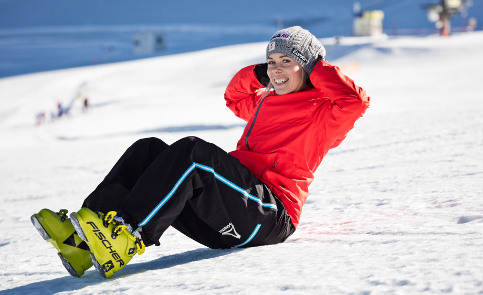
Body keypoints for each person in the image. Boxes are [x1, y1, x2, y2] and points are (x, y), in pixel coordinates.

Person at [31, 26, 370, 278]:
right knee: (149, 150)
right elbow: (235, 98)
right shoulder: (266, 100)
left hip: (269, 215)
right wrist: (257, 72)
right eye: (271, 61)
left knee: (194, 153)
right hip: (230, 211)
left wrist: (316, 66)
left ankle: (127, 236)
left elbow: (356, 100)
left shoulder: (324, 112)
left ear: (308, 68)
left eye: (287, 61)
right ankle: (82, 239)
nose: (275, 69)